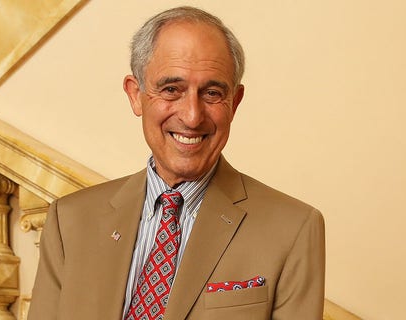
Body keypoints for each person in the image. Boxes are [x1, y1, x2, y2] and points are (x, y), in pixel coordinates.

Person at [28, 6, 325, 320]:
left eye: (211, 93)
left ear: (234, 103)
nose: (192, 116)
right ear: (135, 94)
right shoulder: (70, 221)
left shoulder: (293, 229)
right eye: (172, 90)